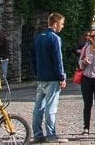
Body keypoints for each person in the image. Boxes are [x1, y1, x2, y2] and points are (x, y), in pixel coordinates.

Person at [31, 12, 67, 143]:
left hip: (41, 77)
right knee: (51, 108)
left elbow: (33, 58)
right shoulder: (54, 38)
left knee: (38, 107)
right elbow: (58, 60)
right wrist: (61, 77)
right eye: (62, 24)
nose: (62, 27)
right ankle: (51, 134)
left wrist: (37, 72)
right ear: (56, 23)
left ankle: (37, 133)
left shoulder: (38, 37)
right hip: (52, 78)